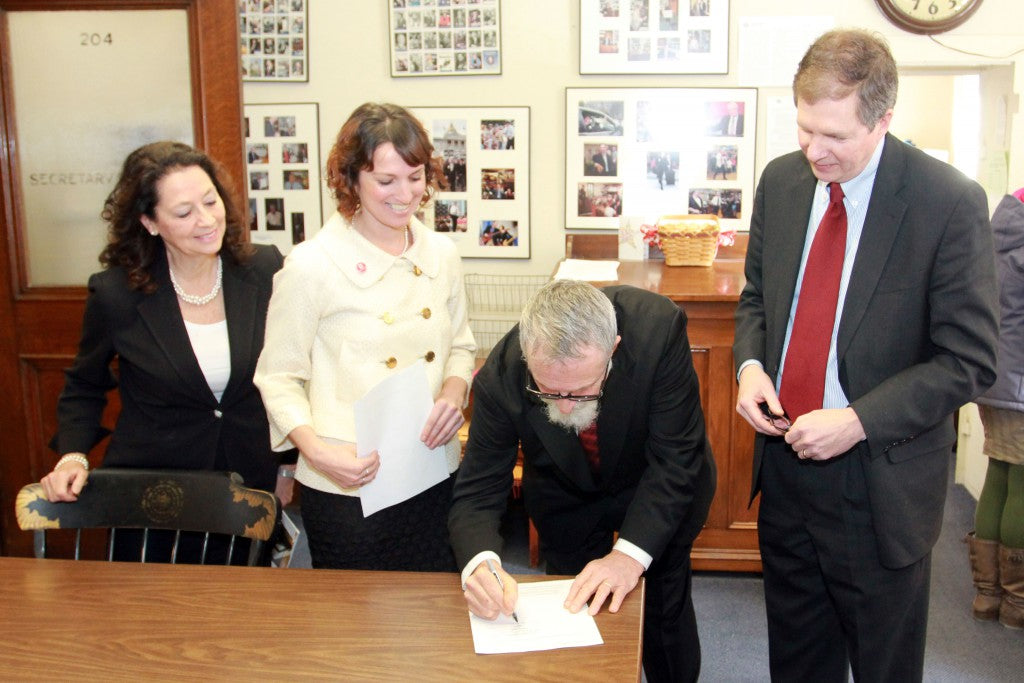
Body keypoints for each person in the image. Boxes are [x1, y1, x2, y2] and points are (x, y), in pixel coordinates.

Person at [733, 29, 998, 680]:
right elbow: (758, 298)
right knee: (797, 660)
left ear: (883, 120)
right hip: (787, 467)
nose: (813, 151)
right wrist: (749, 366)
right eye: (804, 129)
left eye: (835, 137)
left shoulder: (948, 202)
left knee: (883, 666)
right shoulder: (783, 181)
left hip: (880, 481)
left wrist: (856, 419)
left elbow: (968, 359)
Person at [449, 279, 716, 683]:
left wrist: (628, 557)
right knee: (570, 613)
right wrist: (480, 563)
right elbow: (478, 489)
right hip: (565, 492)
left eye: (581, 391)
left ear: (613, 348)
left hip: (654, 487)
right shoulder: (501, 374)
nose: (563, 406)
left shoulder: (658, 330)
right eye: (548, 390)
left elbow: (675, 459)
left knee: (662, 604)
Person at [39, 141, 293, 563]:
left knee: (242, 618)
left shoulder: (265, 269)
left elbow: (294, 370)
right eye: (183, 212)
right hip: (154, 494)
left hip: (249, 491)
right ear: (149, 222)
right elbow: (84, 385)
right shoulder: (117, 294)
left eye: (210, 201)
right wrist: (72, 454)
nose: (207, 219)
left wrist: (288, 464)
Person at [255, 102, 476, 572]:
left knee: (436, 606)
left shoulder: (441, 253)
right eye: (386, 180)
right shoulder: (312, 265)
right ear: (352, 179)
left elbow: (460, 343)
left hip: (431, 467)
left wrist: (455, 393)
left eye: (415, 177)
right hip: (348, 480)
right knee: (359, 622)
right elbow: (278, 377)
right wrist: (316, 453)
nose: (406, 194)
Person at [968, 187, 1024, 631]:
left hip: (993, 376)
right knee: (1021, 486)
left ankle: (988, 595)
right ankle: (1015, 601)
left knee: (999, 478)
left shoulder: (1000, 227)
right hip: (1020, 384)